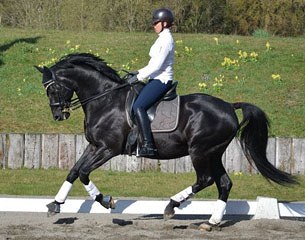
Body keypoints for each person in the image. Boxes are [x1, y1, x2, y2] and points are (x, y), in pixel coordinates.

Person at [128, 8, 175, 157]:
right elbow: (152, 64)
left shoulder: (166, 40)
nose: (154, 25)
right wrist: (138, 72)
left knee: (138, 106)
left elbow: (157, 65)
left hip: (162, 80)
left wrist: (139, 77)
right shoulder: (161, 37)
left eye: (156, 23)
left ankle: (148, 145)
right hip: (154, 77)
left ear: (165, 23)